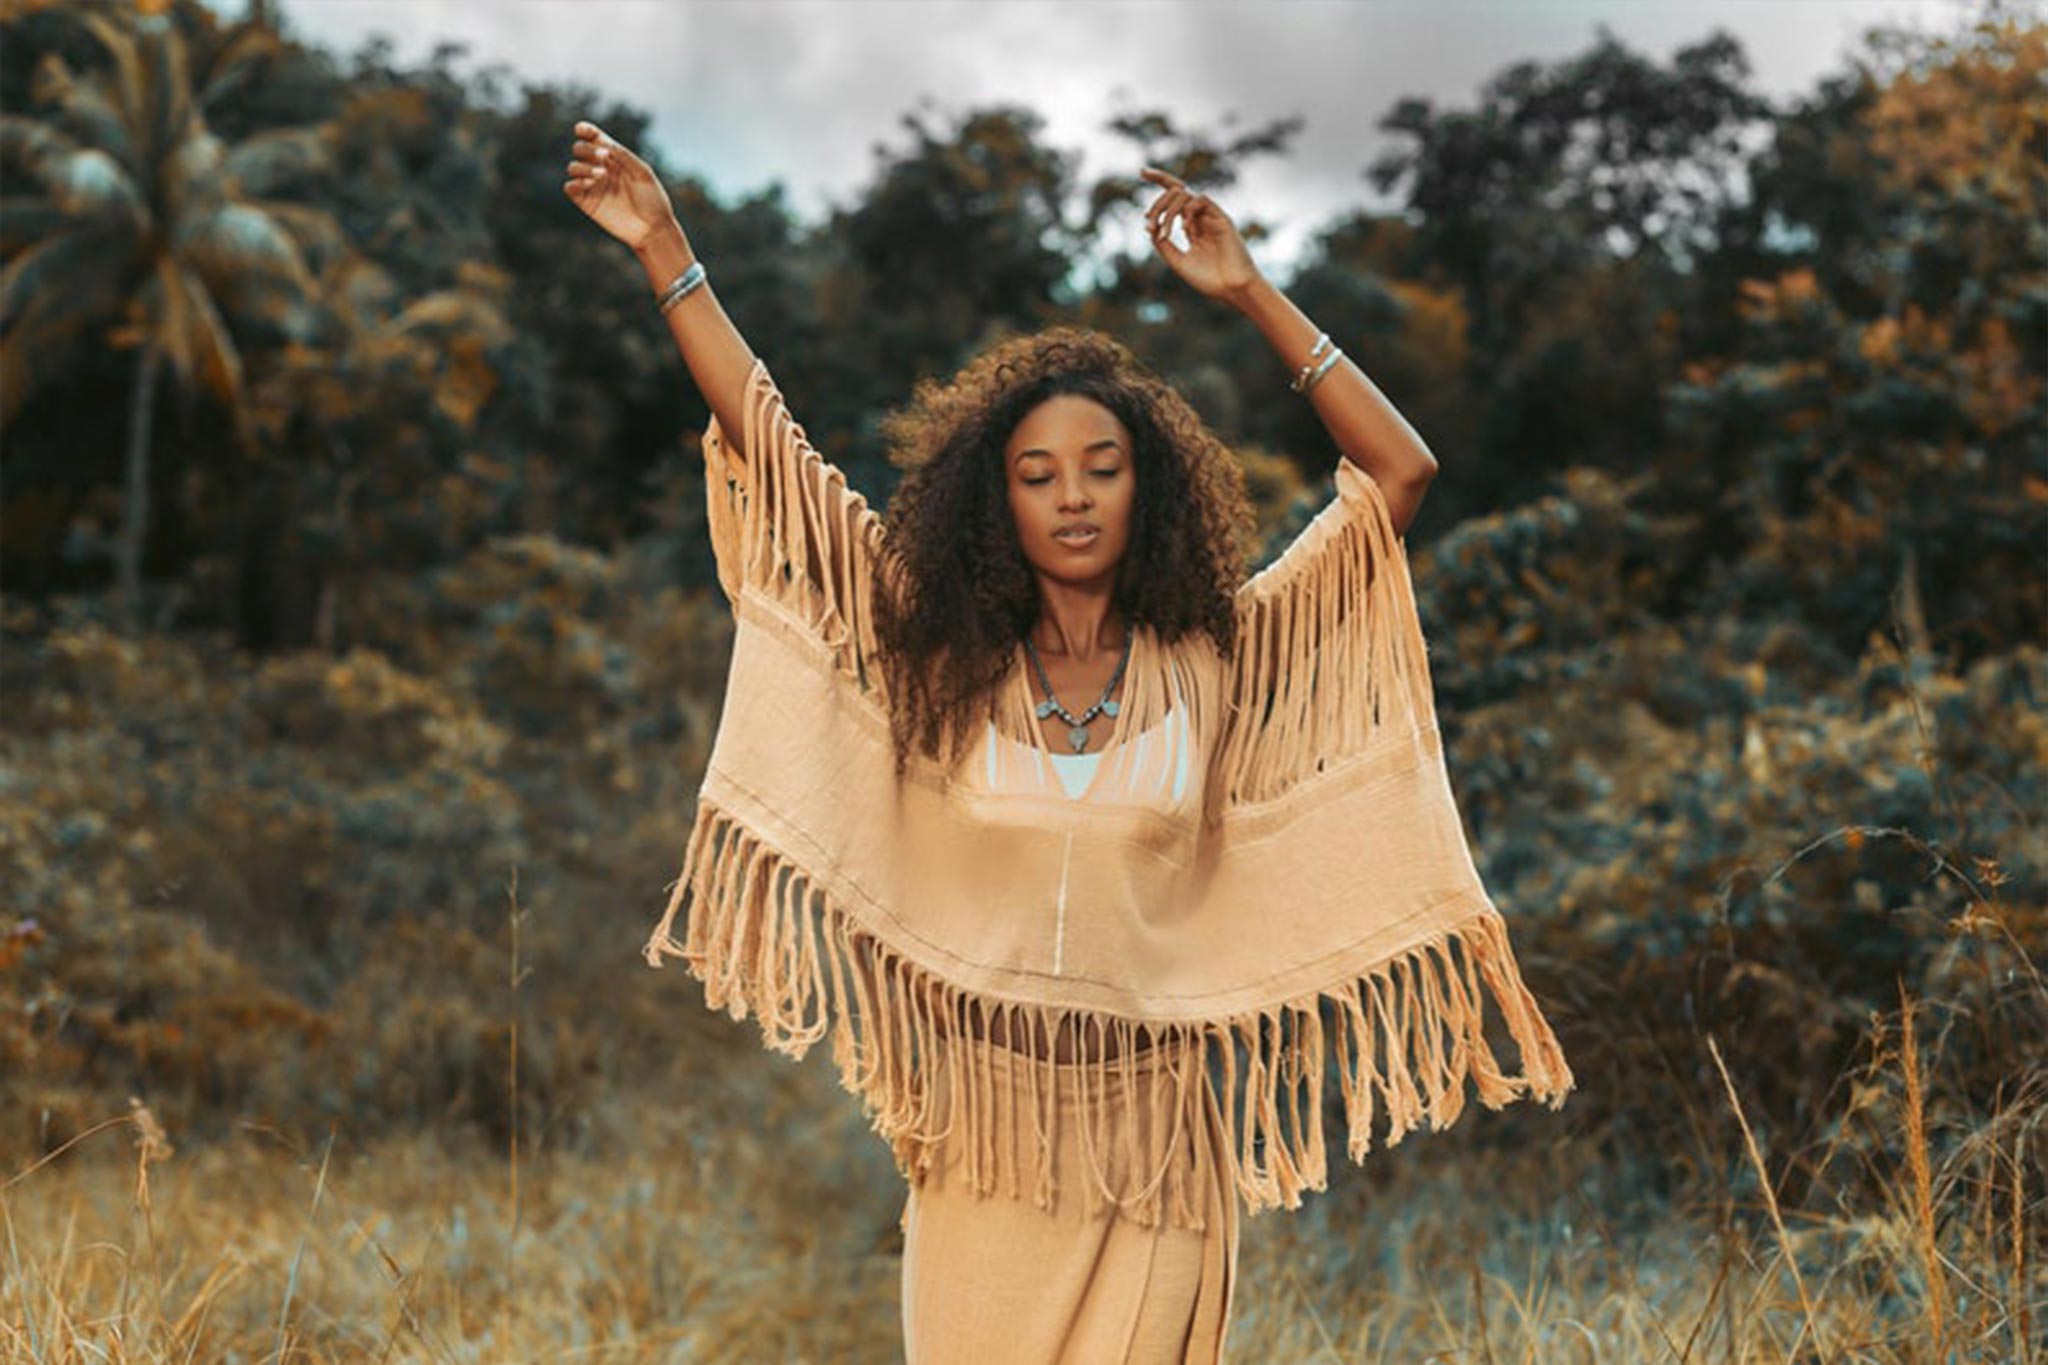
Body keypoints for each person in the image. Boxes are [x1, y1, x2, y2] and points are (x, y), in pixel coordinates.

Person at [564, 120, 1575, 1364]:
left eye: (1100, 467)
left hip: (1155, 1148)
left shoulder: (1220, 659)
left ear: (1144, 486)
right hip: (980, 1141)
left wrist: (1249, 289)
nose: (1073, 494)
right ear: (998, 502)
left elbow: (1397, 475)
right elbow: (774, 451)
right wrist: (669, 251)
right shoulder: (937, 654)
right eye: (1038, 474)